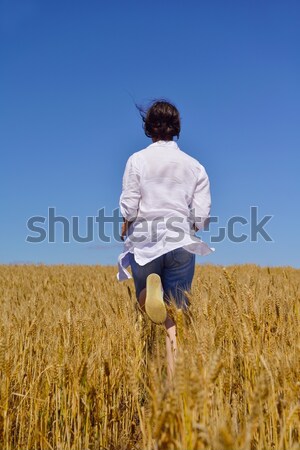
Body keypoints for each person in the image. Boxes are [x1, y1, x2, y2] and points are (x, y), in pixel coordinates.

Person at [117, 100, 214, 379]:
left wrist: (126, 222)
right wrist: (191, 224)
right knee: (176, 316)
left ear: (149, 128)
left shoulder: (137, 160)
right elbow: (202, 216)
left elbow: (130, 206)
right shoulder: (195, 166)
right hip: (181, 241)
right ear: (176, 129)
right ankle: (173, 378)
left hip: (146, 242)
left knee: (144, 301)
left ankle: (149, 293)